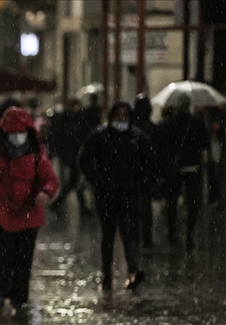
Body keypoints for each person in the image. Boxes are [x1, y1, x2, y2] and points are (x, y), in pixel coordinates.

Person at [0, 106, 59, 317]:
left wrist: (45, 192)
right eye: (12, 132)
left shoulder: (37, 153)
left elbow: (49, 179)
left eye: (20, 132)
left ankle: (19, 299)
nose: (17, 137)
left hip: (28, 217)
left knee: (22, 261)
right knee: (1, 259)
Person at [78, 102, 156, 292]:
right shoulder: (100, 136)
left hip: (129, 193)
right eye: (118, 115)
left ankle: (133, 270)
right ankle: (107, 274)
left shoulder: (137, 137)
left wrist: (139, 181)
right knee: (108, 235)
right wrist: (98, 181)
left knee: (129, 233)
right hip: (106, 195)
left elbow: (150, 162)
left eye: (125, 115)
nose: (122, 119)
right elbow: (84, 159)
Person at [159, 95, 210, 251]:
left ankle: (172, 232)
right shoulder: (197, 122)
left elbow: (163, 147)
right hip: (192, 167)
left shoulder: (168, 123)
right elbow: (205, 144)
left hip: (174, 168)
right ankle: (189, 234)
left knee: (172, 202)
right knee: (192, 203)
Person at [49, 98, 91, 214]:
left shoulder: (77, 120)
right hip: (73, 156)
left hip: (75, 156)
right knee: (74, 181)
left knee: (75, 182)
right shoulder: (69, 120)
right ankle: (57, 204)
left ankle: (59, 204)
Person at [131, 95, 158, 247]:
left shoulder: (132, 129)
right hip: (143, 173)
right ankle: (144, 237)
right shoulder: (149, 129)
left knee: (137, 207)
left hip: (137, 174)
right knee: (144, 207)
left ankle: (138, 237)